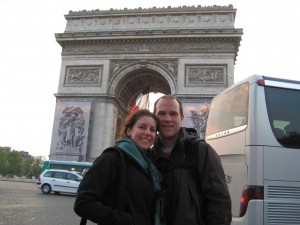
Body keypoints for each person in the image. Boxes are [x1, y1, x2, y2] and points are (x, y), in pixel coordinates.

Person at [74, 109, 165, 225]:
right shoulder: (112, 158)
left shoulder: (151, 165)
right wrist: (127, 221)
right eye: (142, 127)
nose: (148, 132)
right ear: (129, 130)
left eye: (152, 129)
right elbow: (83, 203)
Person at [151, 95, 232, 225]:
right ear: (154, 118)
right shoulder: (149, 157)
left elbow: (219, 201)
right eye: (162, 113)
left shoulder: (201, 150)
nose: (167, 119)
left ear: (181, 118)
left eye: (173, 114)